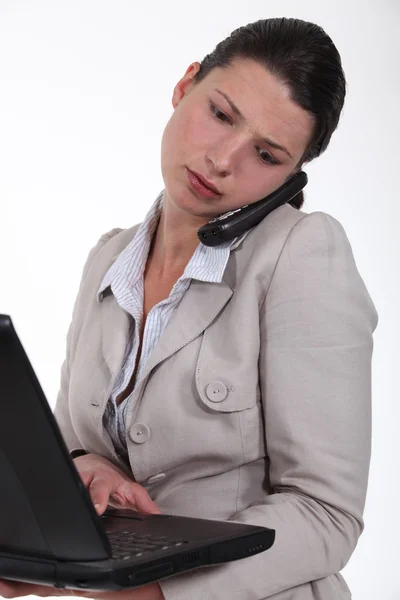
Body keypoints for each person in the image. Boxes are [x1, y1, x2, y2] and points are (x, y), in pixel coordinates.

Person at [0, 16, 378, 600]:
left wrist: (155, 592)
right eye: (221, 115)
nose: (223, 161)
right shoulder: (109, 258)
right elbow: (73, 443)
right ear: (185, 86)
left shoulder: (303, 254)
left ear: (291, 176)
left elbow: (327, 515)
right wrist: (82, 473)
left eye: (266, 153)